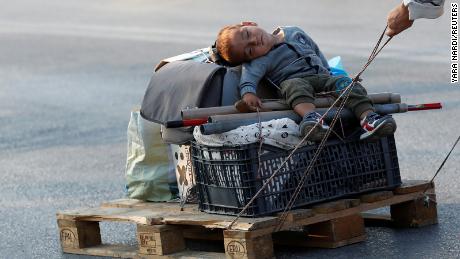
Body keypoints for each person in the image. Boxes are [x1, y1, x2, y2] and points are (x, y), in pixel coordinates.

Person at [215, 23, 396, 142]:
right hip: (294, 82)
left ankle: (369, 118)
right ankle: (312, 119)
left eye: (248, 34)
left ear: (249, 24)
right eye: (250, 50)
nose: (254, 41)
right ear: (251, 57)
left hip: (322, 77)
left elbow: (316, 52)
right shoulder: (260, 61)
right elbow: (248, 77)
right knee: (295, 88)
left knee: (347, 84)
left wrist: (329, 73)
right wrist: (248, 93)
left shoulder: (294, 32)